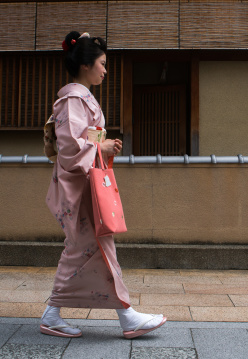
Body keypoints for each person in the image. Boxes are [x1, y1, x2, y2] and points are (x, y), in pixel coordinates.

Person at [41, 31, 166, 339]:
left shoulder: (80, 99)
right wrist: (101, 147)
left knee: (82, 250)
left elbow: (82, 139)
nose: (105, 70)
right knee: (97, 247)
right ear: (86, 64)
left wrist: (104, 144)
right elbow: (70, 148)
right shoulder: (72, 99)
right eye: (102, 63)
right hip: (79, 186)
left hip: (85, 183)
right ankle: (127, 316)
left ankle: (53, 313)